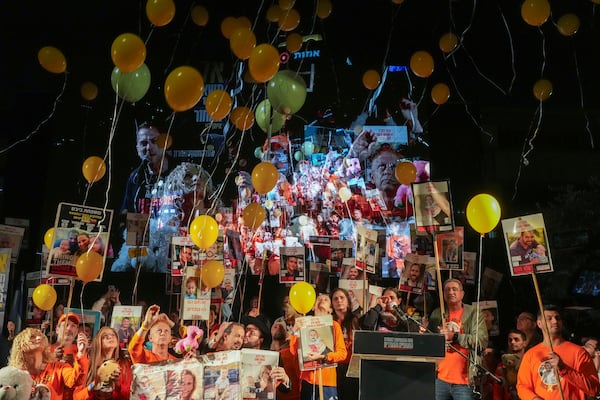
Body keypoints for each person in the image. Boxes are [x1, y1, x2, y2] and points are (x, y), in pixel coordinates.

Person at [516, 305, 599, 400]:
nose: (555, 321)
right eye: (549, 318)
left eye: (557, 318)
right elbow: (522, 386)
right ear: (539, 324)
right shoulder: (530, 354)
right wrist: (534, 398)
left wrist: (564, 369)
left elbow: (594, 388)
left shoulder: (578, 352)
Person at [427, 278, 488, 400]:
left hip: (464, 381)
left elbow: (481, 341)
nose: (451, 292)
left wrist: (455, 336)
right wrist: (425, 334)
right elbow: (430, 344)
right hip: (439, 378)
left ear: (462, 293)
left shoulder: (474, 313)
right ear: (443, 294)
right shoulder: (437, 314)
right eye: (447, 290)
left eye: (454, 289)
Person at [290, 293, 347, 400]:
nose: (322, 300)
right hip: (308, 380)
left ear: (330, 309)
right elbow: (294, 352)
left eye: (326, 299)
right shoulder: (303, 324)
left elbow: (342, 354)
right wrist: (294, 330)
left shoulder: (335, 326)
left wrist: (323, 356)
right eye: (319, 299)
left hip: (327, 381)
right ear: (313, 306)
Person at [9, 327, 87, 400]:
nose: (39, 338)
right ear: (21, 346)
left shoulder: (59, 367)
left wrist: (80, 353)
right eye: (32, 337)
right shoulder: (16, 374)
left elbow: (76, 381)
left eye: (40, 336)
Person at [73, 326, 132, 400]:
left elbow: (127, 396)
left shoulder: (124, 365)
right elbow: (77, 397)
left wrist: (117, 385)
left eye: (113, 335)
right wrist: (94, 384)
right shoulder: (88, 364)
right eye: (105, 336)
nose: (110, 337)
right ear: (98, 342)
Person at [331, 288, 360, 400]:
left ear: (348, 300)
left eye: (342, 297)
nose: (339, 301)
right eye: (335, 299)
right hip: (335, 365)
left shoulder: (355, 320)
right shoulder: (330, 321)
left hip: (352, 367)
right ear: (332, 303)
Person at [493, 329, 527, 400]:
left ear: (524, 343)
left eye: (516, 339)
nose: (512, 342)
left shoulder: (530, 362)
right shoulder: (502, 365)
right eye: (510, 340)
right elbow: (497, 390)